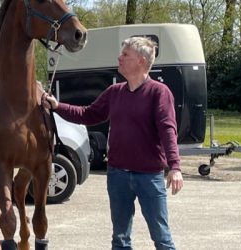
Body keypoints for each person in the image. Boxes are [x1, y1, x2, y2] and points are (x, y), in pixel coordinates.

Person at [43, 36, 183, 250]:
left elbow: (168, 130)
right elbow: (88, 114)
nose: (119, 57)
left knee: (161, 237)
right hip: (118, 175)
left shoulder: (159, 93)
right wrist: (57, 106)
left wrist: (175, 167)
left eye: (125, 54)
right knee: (120, 238)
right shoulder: (115, 92)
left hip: (149, 177)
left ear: (141, 61)